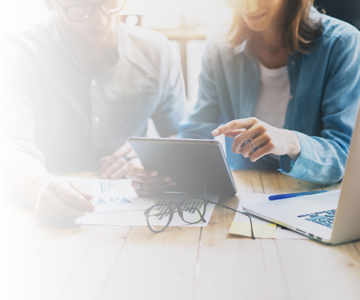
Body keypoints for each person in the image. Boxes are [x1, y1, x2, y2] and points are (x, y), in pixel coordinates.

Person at [128, 0, 360, 196]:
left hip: (311, 195)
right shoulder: (220, 48)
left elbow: (344, 157)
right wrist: (157, 168)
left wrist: (290, 141)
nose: (248, 6)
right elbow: (197, 132)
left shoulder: (342, 44)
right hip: (243, 194)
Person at [0, 0, 186, 222]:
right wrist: (38, 186)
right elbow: (8, 147)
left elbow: (184, 135)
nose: (101, 21)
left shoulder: (156, 52)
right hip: (47, 214)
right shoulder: (16, 54)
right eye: (80, 7)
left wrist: (155, 154)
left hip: (136, 216)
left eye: (109, 2)